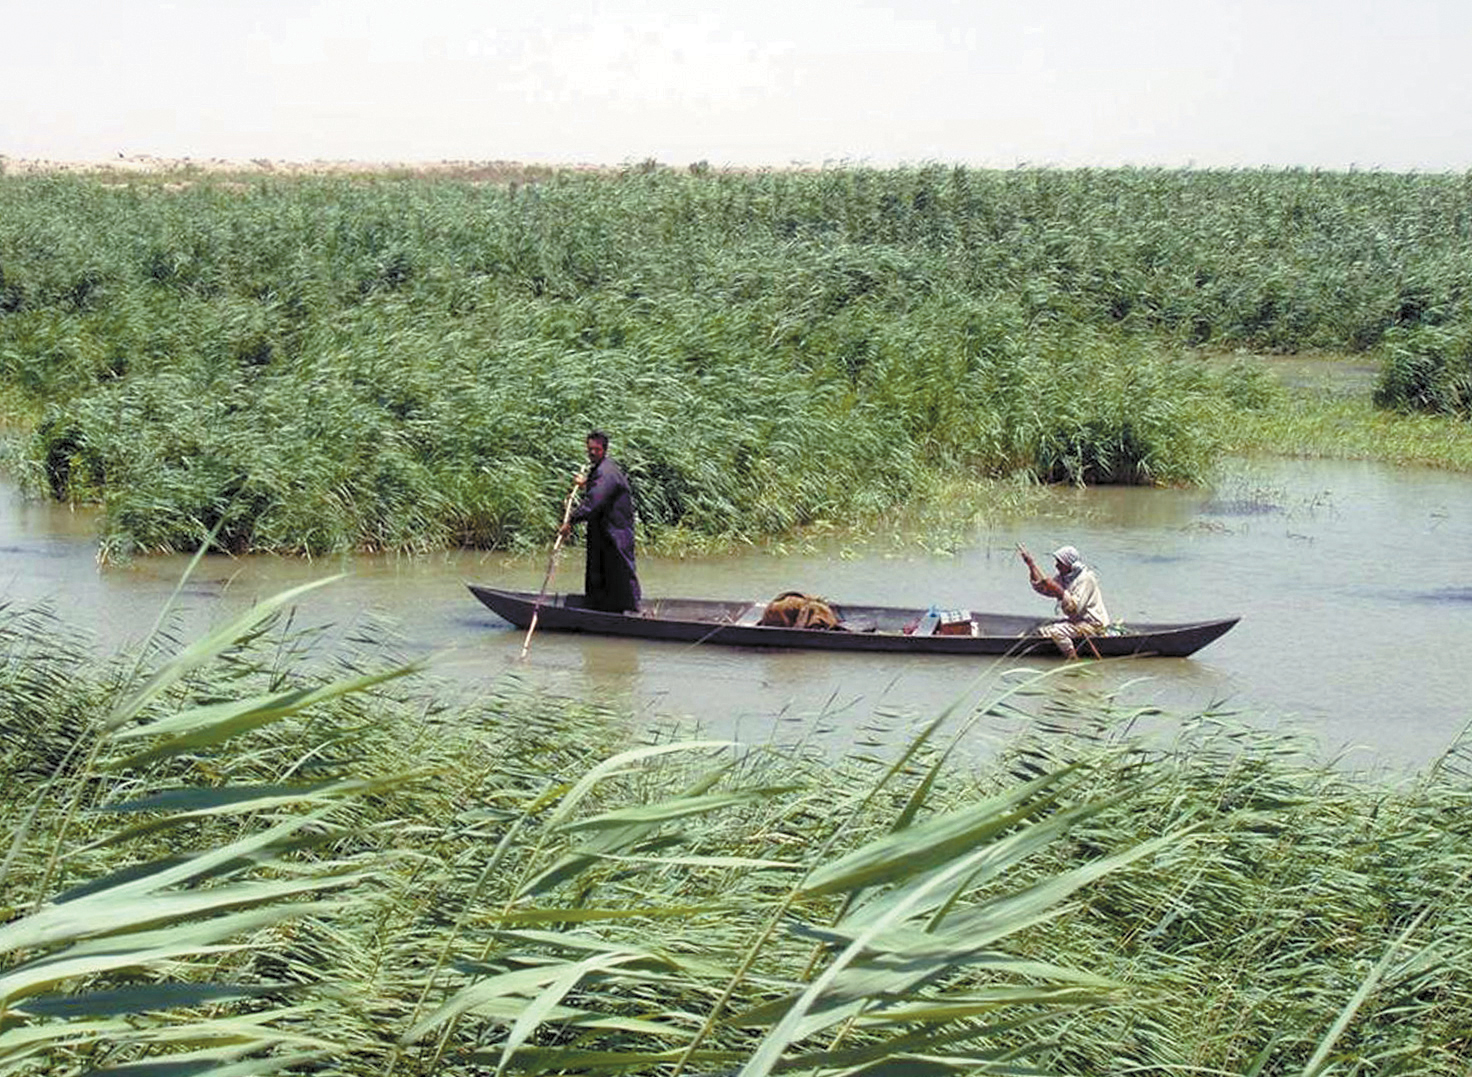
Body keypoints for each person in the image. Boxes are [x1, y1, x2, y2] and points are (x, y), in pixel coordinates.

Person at [560, 430, 641, 613]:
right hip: (604, 532)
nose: (592, 453)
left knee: (621, 570)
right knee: (600, 572)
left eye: (596, 449)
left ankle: (632, 612)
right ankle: (603, 610)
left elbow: (594, 502)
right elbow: (598, 488)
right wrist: (586, 483)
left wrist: (571, 520)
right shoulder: (601, 469)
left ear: (604, 450)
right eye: (589, 449)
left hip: (615, 533)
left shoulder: (607, 471)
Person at [1018, 543, 1110, 658]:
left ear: (1069, 564)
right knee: (1039, 629)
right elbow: (1043, 588)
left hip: (1092, 624)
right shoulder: (1064, 577)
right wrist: (1031, 565)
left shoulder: (1086, 579)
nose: (1056, 566)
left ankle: (1072, 659)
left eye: (1059, 563)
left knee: (1056, 632)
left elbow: (1074, 607)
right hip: (1076, 622)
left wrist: (1057, 589)